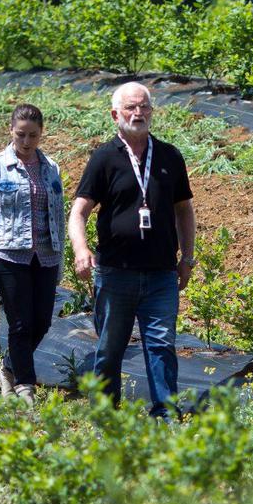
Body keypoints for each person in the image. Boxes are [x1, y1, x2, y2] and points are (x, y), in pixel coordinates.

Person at [69, 82, 196, 418]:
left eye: (144, 107)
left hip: (161, 275)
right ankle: (106, 418)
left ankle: (165, 419)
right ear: (115, 114)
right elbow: (78, 212)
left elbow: (184, 209)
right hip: (115, 274)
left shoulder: (169, 156)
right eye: (130, 108)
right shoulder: (104, 159)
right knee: (110, 349)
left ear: (152, 112)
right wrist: (81, 250)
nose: (138, 113)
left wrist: (188, 257)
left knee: (162, 347)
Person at [0, 103, 66, 404]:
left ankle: (8, 368)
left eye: (33, 136)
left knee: (43, 322)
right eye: (21, 135)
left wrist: (61, 259)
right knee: (21, 322)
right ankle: (25, 384)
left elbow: (59, 216)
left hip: (46, 256)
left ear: (41, 134)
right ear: (10, 131)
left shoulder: (51, 168)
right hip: (9, 255)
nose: (26, 142)